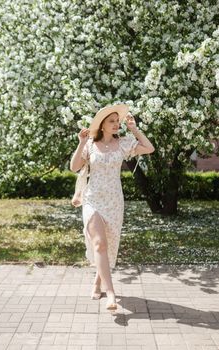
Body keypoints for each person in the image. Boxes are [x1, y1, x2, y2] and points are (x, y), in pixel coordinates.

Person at [70, 104, 155, 311]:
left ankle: (98, 282)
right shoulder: (90, 144)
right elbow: (74, 167)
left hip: (114, 201)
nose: (117, 124)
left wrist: (134, 129)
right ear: (102, 125)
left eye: (118, 121)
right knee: (99, 244)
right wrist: (81, 143)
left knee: (106, 245)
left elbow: (149, 148)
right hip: (92, 200)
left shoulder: (124, 144)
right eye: (112, 121)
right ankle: (111, 294)